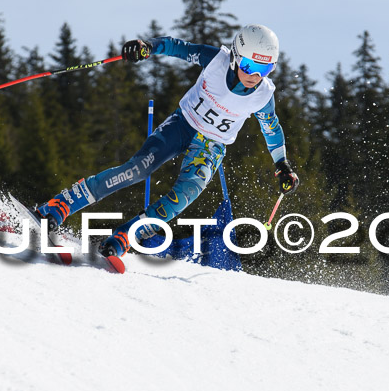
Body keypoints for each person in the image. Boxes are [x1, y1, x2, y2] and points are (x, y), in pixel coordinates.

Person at [35, 24, 299, 258]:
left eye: (265, 68)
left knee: (183, 195)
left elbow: (271, 128)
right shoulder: (216, 61)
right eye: (249, 66)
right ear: (236, 57)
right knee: (137, 170)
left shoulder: (263, 95)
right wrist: (147, 47)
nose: (255, 76)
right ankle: (60, 205)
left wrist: (283, 165)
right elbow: (177, 47)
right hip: (182, 125)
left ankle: (126, 235)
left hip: (211, 147)